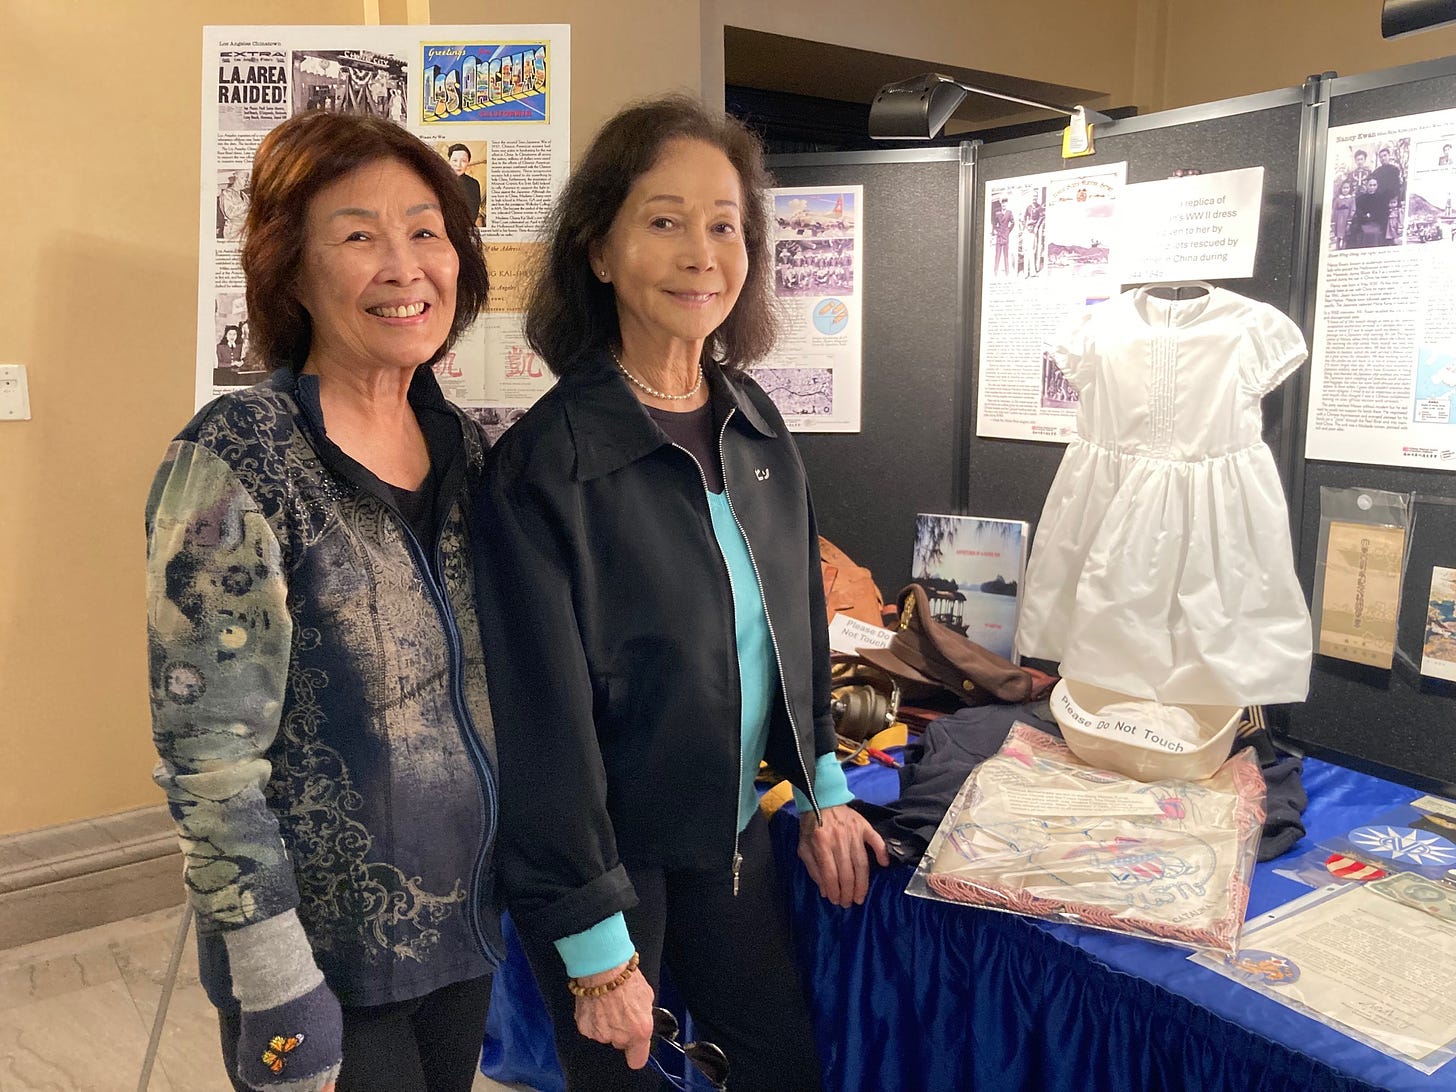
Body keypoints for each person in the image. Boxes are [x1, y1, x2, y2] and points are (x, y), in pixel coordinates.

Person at [475, 95, 888, 1092]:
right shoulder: (545, 465)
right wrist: (593, 949)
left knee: (778, 1066)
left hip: (728, 830)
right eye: (663, 221)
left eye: (724, 224)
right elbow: (541, 728)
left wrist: (824, 792)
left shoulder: (754, 422)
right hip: (607, 860)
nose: (702, 252)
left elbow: (789, 626)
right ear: (600, 250)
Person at [145, 110, 498, 1092]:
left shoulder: (466, 451)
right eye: (357, 236)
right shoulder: (238, 456)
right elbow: (208, 754)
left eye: (426, 231)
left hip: (464, 932)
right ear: (291, 271)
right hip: (324, 961)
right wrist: (273, 977)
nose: (404, 265)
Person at [447, 143, 482, 225]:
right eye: (455, 160)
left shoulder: (473, 184)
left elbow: (473, 213)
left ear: (468, 162)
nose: (458, 165)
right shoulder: (439, 180)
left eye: (463, 161)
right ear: (449, 161)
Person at [1332, 179, 1356, 250]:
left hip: (1347, 218)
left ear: (1350, 189)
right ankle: (1338, 247)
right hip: (1339, 218)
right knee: (1338, 234)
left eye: (1347, 188)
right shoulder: (1338, 199)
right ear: (1341, 189)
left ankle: (1344, 247)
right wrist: (1334, 219)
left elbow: (1353, 209)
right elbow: (1334, 209)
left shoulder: (1351, 199)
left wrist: (1350, 218)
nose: (1345, 190)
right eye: (1344, 188)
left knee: (1346, 234)